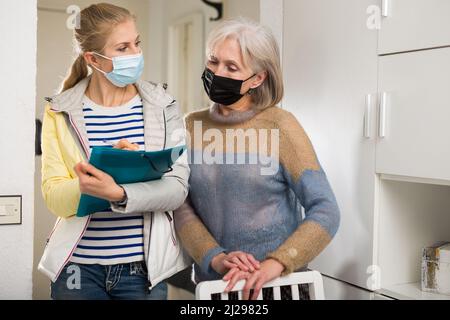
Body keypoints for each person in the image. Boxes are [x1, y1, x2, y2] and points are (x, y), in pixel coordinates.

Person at [174, 18, 340, 300]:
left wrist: (276, 263)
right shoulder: (191, 125)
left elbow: (326, 210)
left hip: (279, 287)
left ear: (258, 78)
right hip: (217, 288)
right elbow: (182, 205)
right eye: (213, 61)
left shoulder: (281, 126)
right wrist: (215, 258)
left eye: (231, 67)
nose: (217, 72)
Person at [38, 3, 190, 300]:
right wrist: (94, 178)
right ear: (93, 58)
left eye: (137, 43)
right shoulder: (59, 111)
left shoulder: (163, 106)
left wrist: (119, 193)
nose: (135, 54)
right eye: (122, 48)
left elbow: (177, 189)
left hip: (143, 271)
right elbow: (54, 197)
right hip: (77, 270)